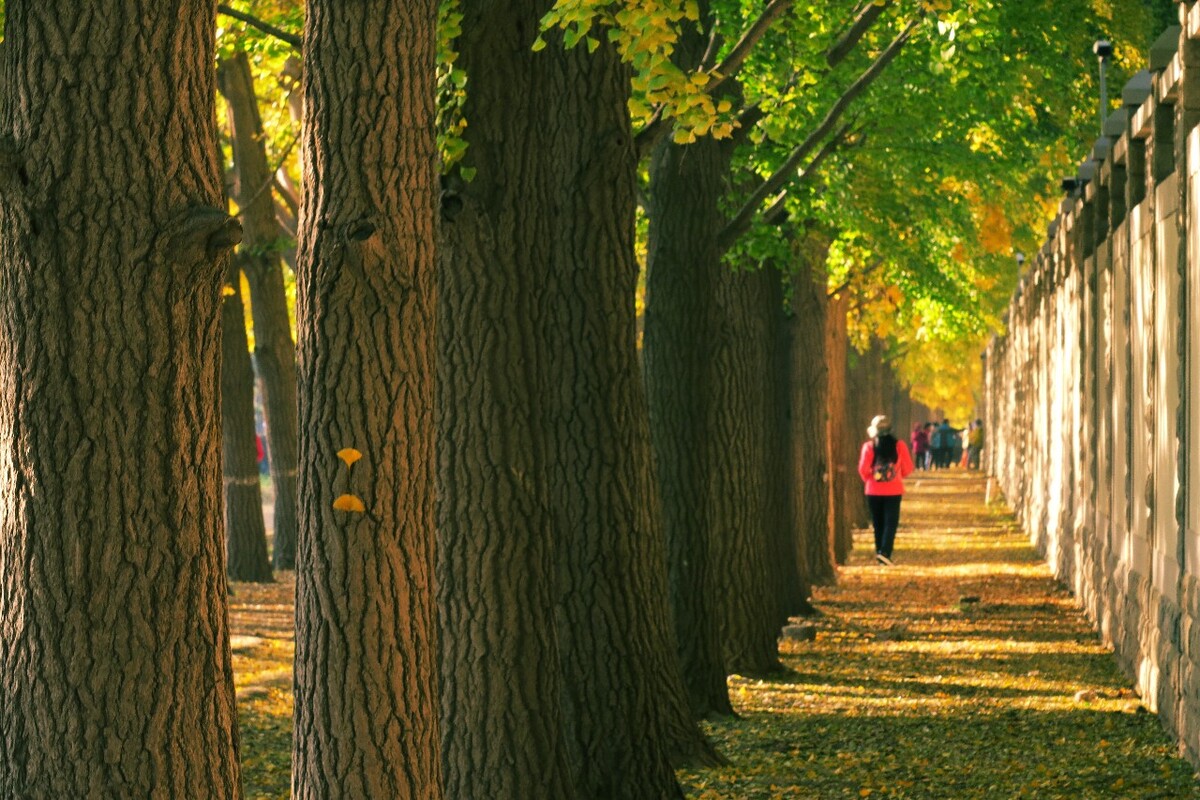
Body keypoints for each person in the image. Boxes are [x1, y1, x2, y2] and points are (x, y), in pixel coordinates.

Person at [858, 415, 915, 565]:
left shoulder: (869, 447)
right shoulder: (899, 446)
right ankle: (885, 552)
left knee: (878, 524)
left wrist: (871, 480)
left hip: (873, 491)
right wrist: (896, 476)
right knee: (891, 523)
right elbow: (908, 468)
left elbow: (863, 470)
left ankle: (879, 553)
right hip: (894, 490)